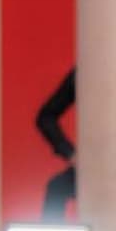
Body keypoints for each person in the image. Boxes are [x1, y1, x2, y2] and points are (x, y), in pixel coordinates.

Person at [34, 67, 76, 220]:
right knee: (57, 188)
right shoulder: (86, 73)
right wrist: (69, 153)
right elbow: (46, 117)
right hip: (98, 167)